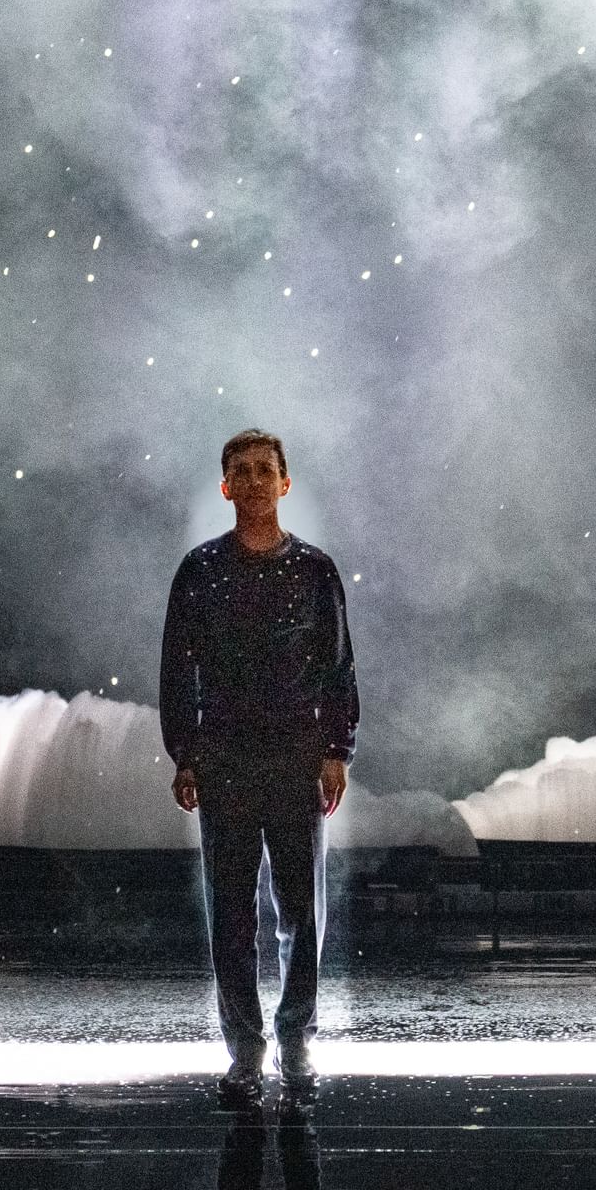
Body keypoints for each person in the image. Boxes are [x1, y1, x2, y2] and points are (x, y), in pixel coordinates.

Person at [160, 428, 358, 1107]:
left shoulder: (313, 570)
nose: (251, 481)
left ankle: (295, 1037)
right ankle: (245, 1049)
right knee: (231, 912)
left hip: (297, 755)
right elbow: (177, 669)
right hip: (225, 758)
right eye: (239, 471)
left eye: (263, 470)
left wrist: (338, 749)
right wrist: (185, 753)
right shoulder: (201, 570)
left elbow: (338, 666)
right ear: (225, 486)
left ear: (284, 482)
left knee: (302, 909)